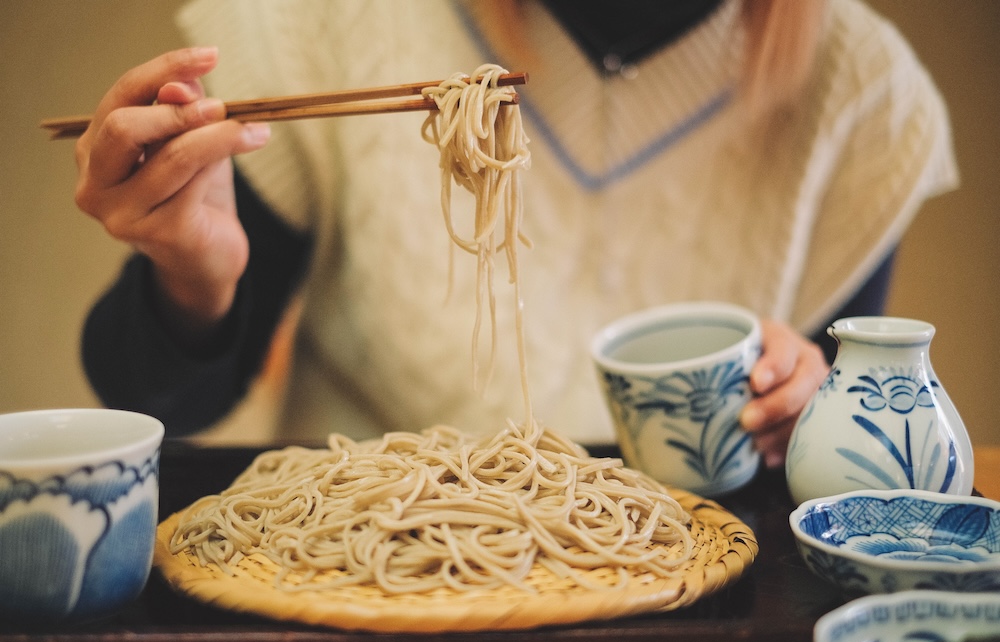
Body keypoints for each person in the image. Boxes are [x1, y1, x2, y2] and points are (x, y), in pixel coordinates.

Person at [75, 0, 956, 469]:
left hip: (681, 602)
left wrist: (806, 413)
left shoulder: (864, 96)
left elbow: (842, 462)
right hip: (351, 578)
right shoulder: (328, 14)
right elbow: (157, 404)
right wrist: (193, 278)